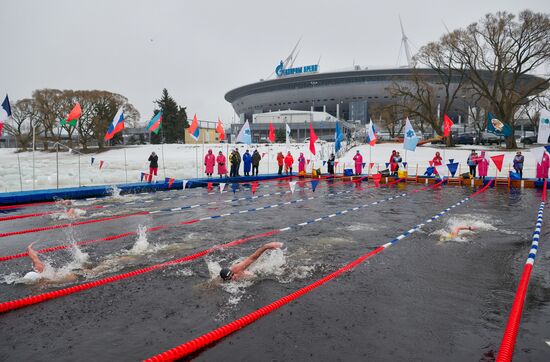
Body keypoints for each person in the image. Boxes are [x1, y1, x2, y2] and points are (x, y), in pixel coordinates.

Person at [219, 242, 284, 281]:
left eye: (232, 274)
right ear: (226, 280)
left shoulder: (237, 269)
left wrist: (266, 247)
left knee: (253, 275)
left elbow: (252, 258)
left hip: (244, 271)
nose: (233, 277)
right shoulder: (224, 281)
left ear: (232, 272)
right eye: (230, 278)